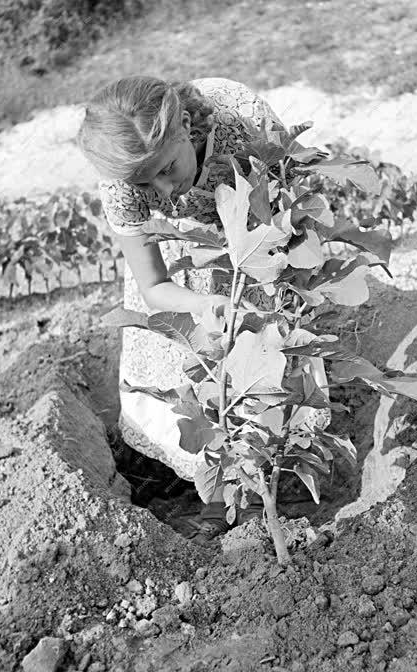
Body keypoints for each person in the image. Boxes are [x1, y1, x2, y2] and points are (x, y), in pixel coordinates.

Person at [77, 76, 327, 545]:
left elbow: (292, 230)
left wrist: (263, 295)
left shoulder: (247, 129)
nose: (164, 189)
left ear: (187, 126)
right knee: (196, 363)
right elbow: (154, 285)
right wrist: (205, 304)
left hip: (257, 240)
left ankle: (274, 485)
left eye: (168, 169)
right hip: (183, 252)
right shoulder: (124, 182)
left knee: (266, 357)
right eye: (144, 183)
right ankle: (216, 491)